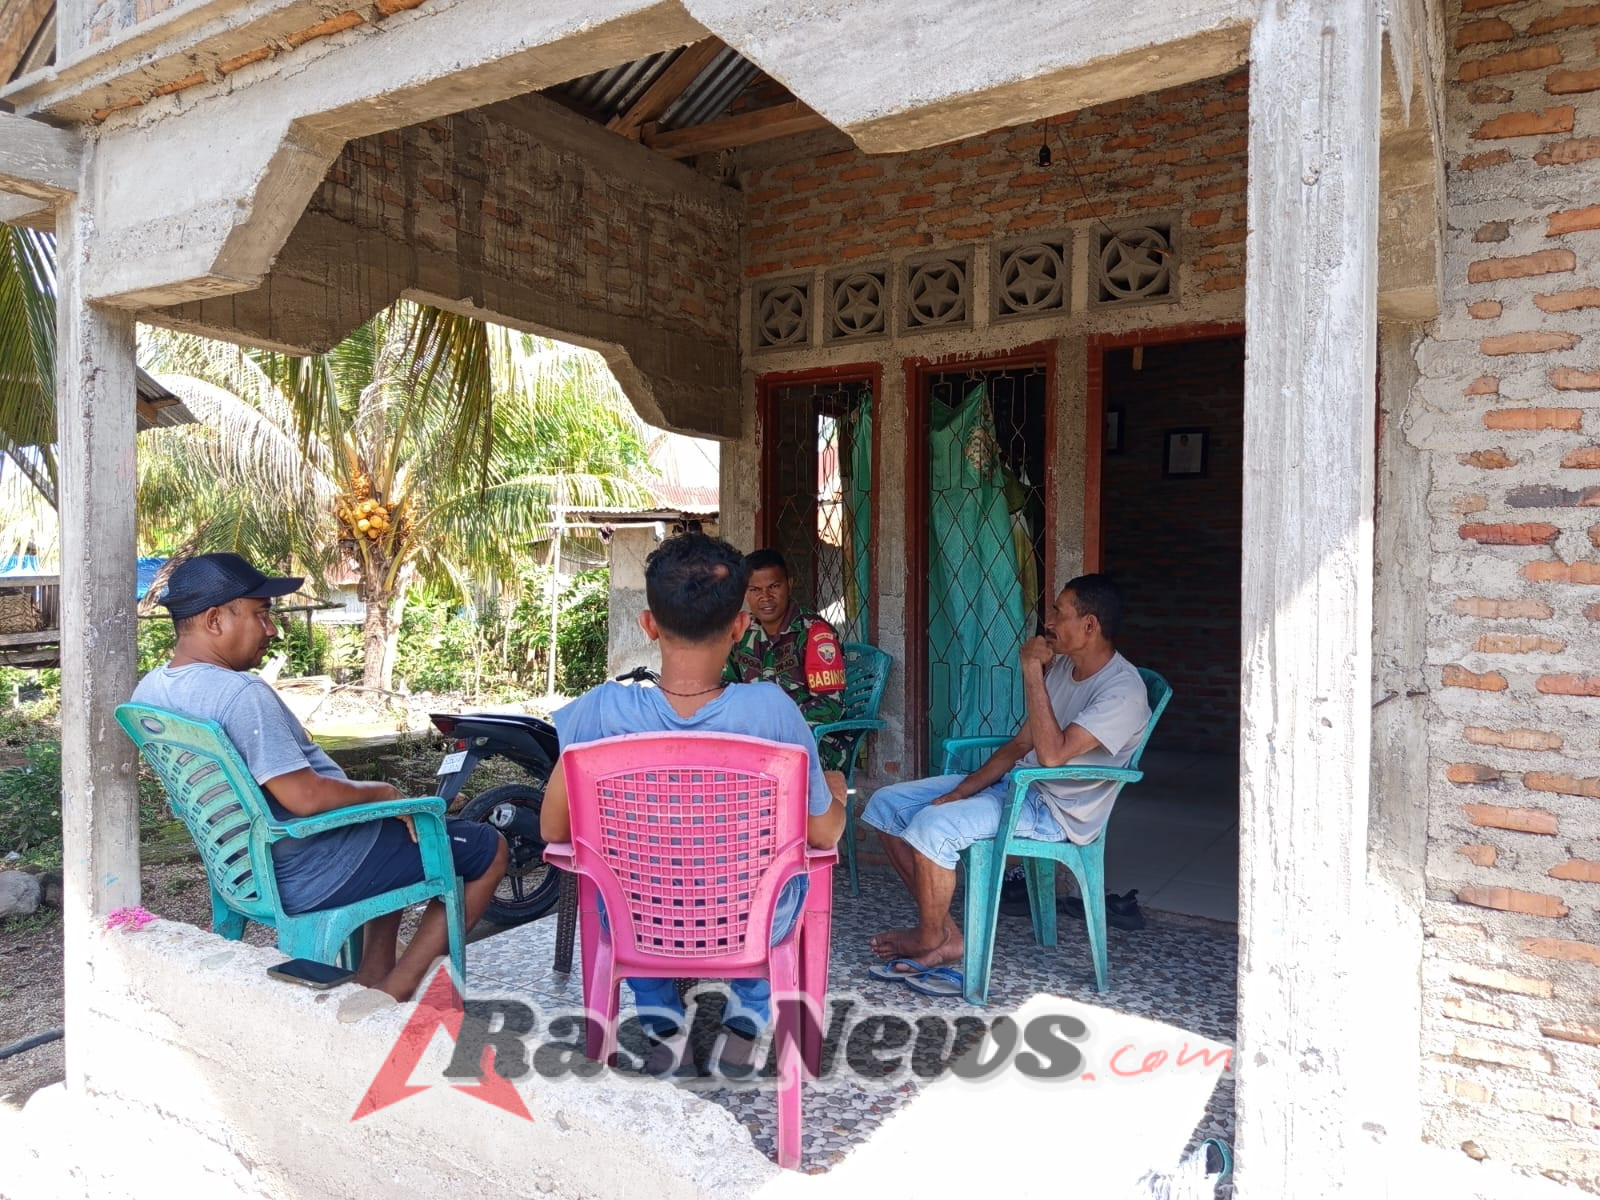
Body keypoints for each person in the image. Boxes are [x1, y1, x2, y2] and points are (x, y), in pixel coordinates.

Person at [131, 552, 508, 1002]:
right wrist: (384, 790)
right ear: (215, 620)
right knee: (487, 849)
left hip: (245, 868)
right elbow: (305, 796)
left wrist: (378, 805)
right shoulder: (240, 694)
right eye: (261, 614)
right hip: (307, 868)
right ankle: (396, 990)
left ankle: (373, 972)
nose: (271, 630)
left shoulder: (151, 690)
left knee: (390, 823)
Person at [540, 533, 846, 1074]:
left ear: (650, 625)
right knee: (776, 877)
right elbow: (822, 836)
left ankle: (660, 1023)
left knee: (630, 882)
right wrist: (838, 793)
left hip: (640, 922)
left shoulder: (597, 713)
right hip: (751, 924)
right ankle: (746, 1019)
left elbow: (553, 828)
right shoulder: (772, 712)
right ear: (738, 626)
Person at [859, 573, 1151, 973]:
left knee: (932, 826)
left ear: (1089, 625)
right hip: (1018, 785)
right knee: (886, 805)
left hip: (1055, 810)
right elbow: (1020, 745)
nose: (1048, 622)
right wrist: (961, 791)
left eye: (1058, 612)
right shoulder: (1067, 669)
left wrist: (1031, 670)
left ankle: (929, 938)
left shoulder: (1124, 692)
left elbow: (1051, 756)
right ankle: (944, 933)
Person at [722, 548, 849, 769]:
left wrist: (775, 730)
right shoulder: (740, 632)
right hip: (755, 740)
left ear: (789, 584)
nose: (765, 597)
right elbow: (724, 689)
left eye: (774, 586)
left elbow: (829, 705)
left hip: (812, 742)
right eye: (755, 589)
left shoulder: (815, 634)